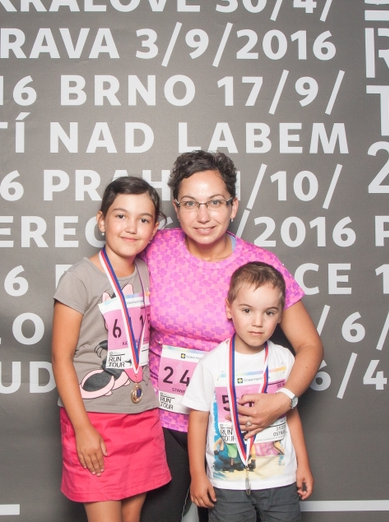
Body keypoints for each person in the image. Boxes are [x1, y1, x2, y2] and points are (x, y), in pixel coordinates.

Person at [140, 151, 323, 521]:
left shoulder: (260, 265)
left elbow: (310, 346)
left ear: (233, 206)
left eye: (215, 202)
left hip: (232, 426)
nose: (203, 216)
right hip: (162, 420)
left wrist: (283, 400)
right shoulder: (154, 248)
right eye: (190, 204)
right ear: (176, 207)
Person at [52, 176, 171, 522]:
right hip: (94, 417)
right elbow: (61, 358)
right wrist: (82, 428)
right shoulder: (79, 279)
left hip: (142, 414)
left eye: (143, 219)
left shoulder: (147, 272)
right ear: (102, 221)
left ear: (154, 229)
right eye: (121, 216)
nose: (131, 227)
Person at [183, 262, 313, 522]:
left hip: (280, 480)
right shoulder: (212, 363)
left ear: (280, 315)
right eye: (247, 310)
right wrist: (198, 475)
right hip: (227, 483)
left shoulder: (285, 359)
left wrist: (303, 464)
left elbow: (291, 414)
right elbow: (197, 421)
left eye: (269, 312)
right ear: (229, 309)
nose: (257, 322)